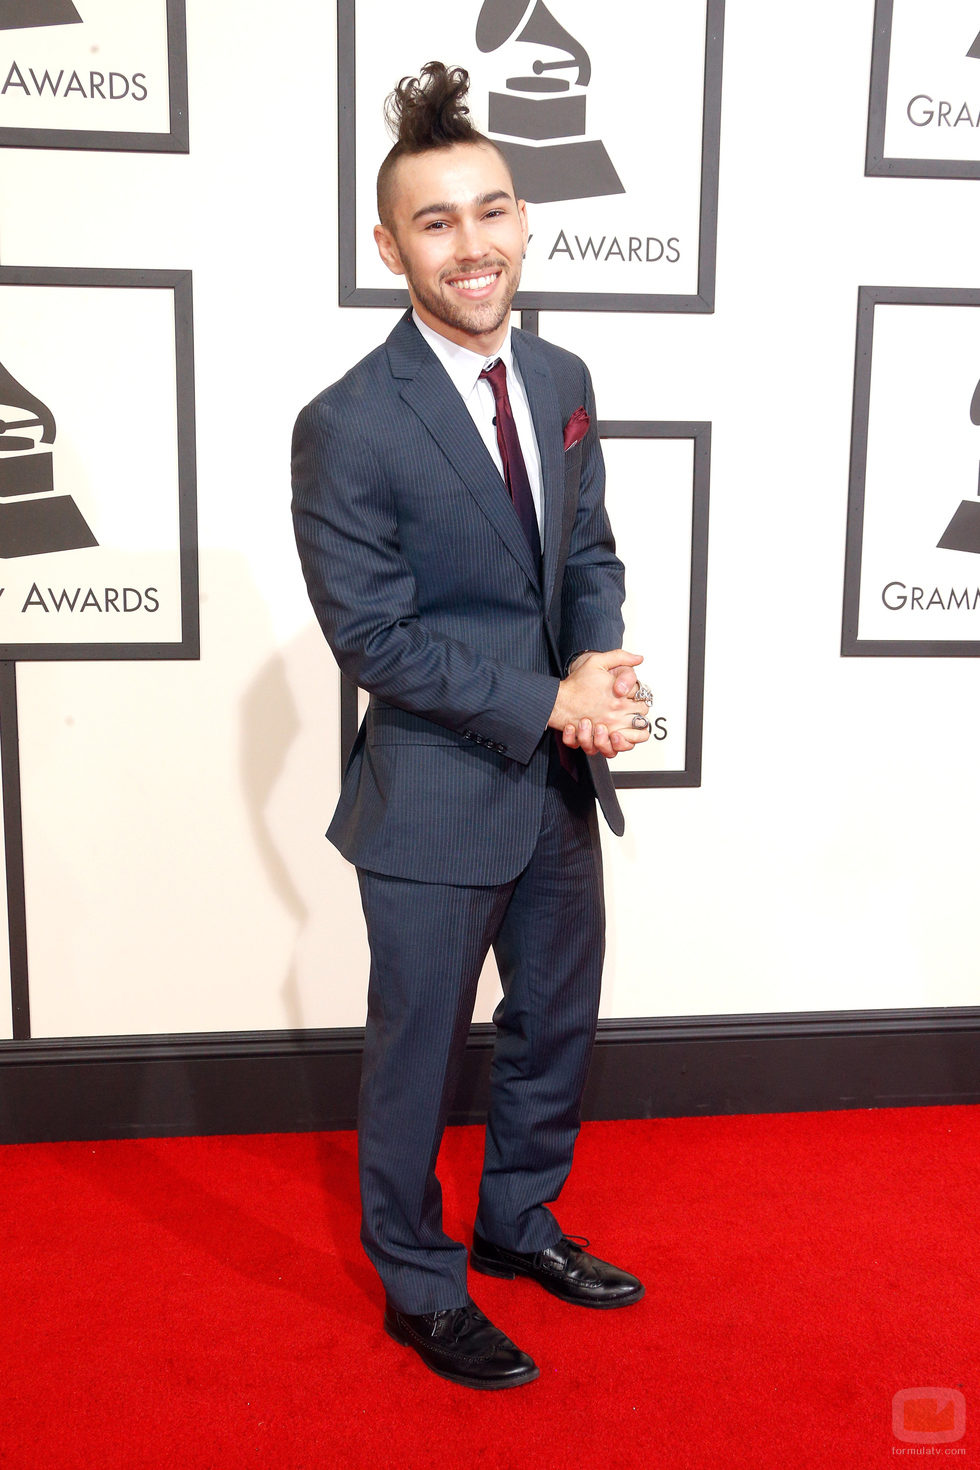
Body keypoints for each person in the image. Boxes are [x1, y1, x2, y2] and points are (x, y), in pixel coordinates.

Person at [291, 61, 653, 1390]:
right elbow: (374, 639)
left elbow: (588, 546)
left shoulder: (560, 369)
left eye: (490, 210)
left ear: (522, 220)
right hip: (437, 795)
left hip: (558, 787)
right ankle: (421, 1280)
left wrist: (599, 658)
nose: (473, 242)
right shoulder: (344, 426)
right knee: (418, 1056)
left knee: (557, 1022)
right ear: (389, 246)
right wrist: (543, 696)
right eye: (437, 222)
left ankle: (515, 1222)